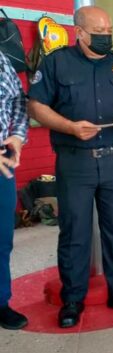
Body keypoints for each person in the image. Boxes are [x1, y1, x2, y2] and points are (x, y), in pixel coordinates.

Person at [27, 6, 113, 328]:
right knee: (75, 232)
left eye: (109, 31)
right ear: (79, 32)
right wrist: (69, 126)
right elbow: (36, 105)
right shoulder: (56, 63)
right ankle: (73, 298)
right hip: (75, 161)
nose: (105, 38)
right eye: (99, 33)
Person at [0, 51, 29, 330]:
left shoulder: (1, 59)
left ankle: (0, 302)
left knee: (1, 239)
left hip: (2, 163)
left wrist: (18, 136)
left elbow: (19, 100)